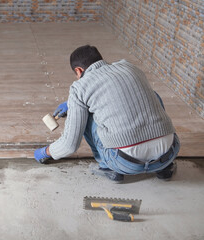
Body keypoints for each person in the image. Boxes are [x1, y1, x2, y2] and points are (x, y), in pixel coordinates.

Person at [34, 45, 180, 182]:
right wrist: (71, 104)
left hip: (124, 163)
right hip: (169, 153)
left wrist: (45, 152)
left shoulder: (79, 87)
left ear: (78, 70)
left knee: (83, 116)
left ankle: (108, 167)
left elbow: (69, 145)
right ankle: (165, 169)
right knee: (152, 95)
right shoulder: (129, 67)